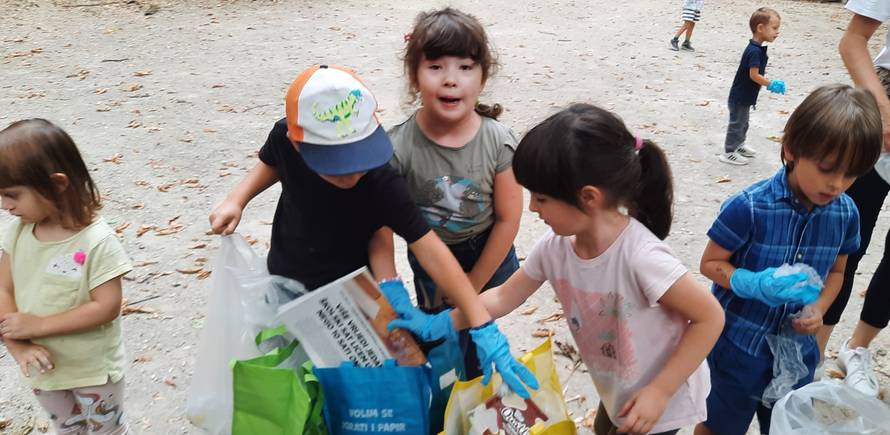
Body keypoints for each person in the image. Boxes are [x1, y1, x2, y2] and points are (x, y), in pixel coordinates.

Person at [391, 103, 725, 435]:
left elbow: (710, 317)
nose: (532, 208)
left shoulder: (640, 257)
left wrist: (660, 391)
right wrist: (440, 324)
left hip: (661, 401)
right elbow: (504, 296)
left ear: (589, 197)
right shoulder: (556, 247)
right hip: (619, 386)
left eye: (541, 198)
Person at [207, 64, 537, 398]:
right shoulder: (285, 135)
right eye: (337, 164)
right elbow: (271, 162)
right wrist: (237, 199)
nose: (352, 173)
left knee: (344, 379)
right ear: (297, 144)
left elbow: (429, 248)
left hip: (351, 291)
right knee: (288, 371)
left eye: (358, 158)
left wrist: (480, 322)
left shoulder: (381, 179)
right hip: (286, 273)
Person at [695, 84, 882, 435]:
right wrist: (751, 282)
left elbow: (838, 271)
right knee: (719, 424)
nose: (837, 184)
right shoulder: (749, 207)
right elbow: (710, 263)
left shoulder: (846, 214)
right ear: (791, 148)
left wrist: (819, 308)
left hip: (796, 353)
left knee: (786, 425)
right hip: (738, 346)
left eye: (851, 174)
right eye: (827, 168)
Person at [387, 7, 522, 379]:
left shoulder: (498, 141)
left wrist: (474, 282)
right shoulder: (397, 147)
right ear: (413, 76)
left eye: (465, 67)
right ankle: (453, 387)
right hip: (431, 256)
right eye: (435, 67)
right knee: (441, 336)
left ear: (483, 76)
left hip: (488, 251)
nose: (451, 80)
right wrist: (389, 286)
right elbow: (381, 221)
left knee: (479, 330)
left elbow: (509, 219)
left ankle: (476, 388)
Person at [0, 119, 134, 434]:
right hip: (44, 368)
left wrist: (39, 325)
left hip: (92, 370)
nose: (5, 206)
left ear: (57, 184)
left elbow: (107, 306)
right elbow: (3, 288)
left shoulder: (97, 242)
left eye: (12, 194)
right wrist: (19, 347)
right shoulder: (18, 234)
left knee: (106, 431)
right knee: (69, 430)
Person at [820, 0, 890, 398]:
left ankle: (857, 348)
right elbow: (854, 39)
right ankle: (811, 354)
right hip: (883, 112)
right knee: (845, 243)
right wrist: (883, 110)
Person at [720, 7, 786, 166]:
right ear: (760, 28)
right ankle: (729, 151)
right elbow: (754, 75)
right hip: (739, 96)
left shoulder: (757, 48)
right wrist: (771, 84)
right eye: (774, 28)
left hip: (746, 95)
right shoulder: (754, 51)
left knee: (744, 123)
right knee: (737, 123)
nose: (777, 32)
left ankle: (739, 145)